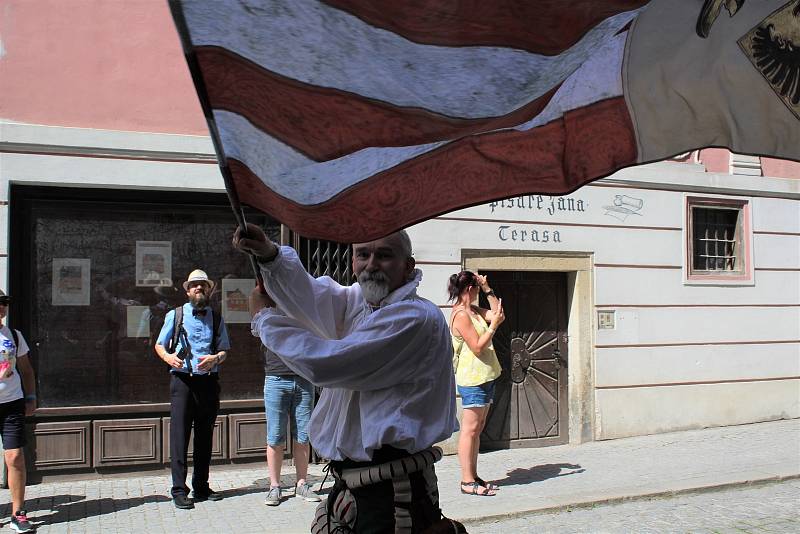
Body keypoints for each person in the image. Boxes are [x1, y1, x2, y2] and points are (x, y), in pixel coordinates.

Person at [233, 224, 462, 533]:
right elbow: (314, 297)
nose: (371, 264)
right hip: (356, 484)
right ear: (352, 261)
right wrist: (270, 255)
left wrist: (264, 319)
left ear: (408, 266)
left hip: (391, 489)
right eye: (362, 255)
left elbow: (327, 363)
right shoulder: (363, 304)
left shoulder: (414, 317)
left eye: (384, 255)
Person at [154, 270, 230, 509]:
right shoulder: (175, 315)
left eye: (203, 285)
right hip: (182, 382)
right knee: (179, 436)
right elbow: (159, 345)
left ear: (209, 290)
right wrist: (168, 358)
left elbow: (224, 350)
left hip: (208, 382)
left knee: (205, 436)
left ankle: (201, 486)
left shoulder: (216, 318)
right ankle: (178, 490)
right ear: (188, 291)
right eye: (194, 285)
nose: (199, 288)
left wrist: (215, 359)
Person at [448, 271, 505, 497]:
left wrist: (489, 289)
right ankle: (466, 481)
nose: (479, 291)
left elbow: (497, 313)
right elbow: (477, 346)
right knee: (470, 430)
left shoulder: (473, 310)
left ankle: (474, 475)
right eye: (478, 288)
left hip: (486, 375)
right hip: (472, 379)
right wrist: (493, 328)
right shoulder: (461, 315)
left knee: (477, 429)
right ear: (470, 289)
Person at [262, 344, 321, 506]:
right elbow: (256, 326)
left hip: (304, 378)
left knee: (303, 436)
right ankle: (274, 486)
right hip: (276, 377)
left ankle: (301, 484)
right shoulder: (269, 317)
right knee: (275, 437)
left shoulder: (307, 317)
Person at [0, 290, 36, 533]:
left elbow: (26, 369)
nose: (2, 308)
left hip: (12, 403)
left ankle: (18, 513)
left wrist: (31, 396)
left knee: (15, 457)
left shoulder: (13, 335)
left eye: (4, 303)